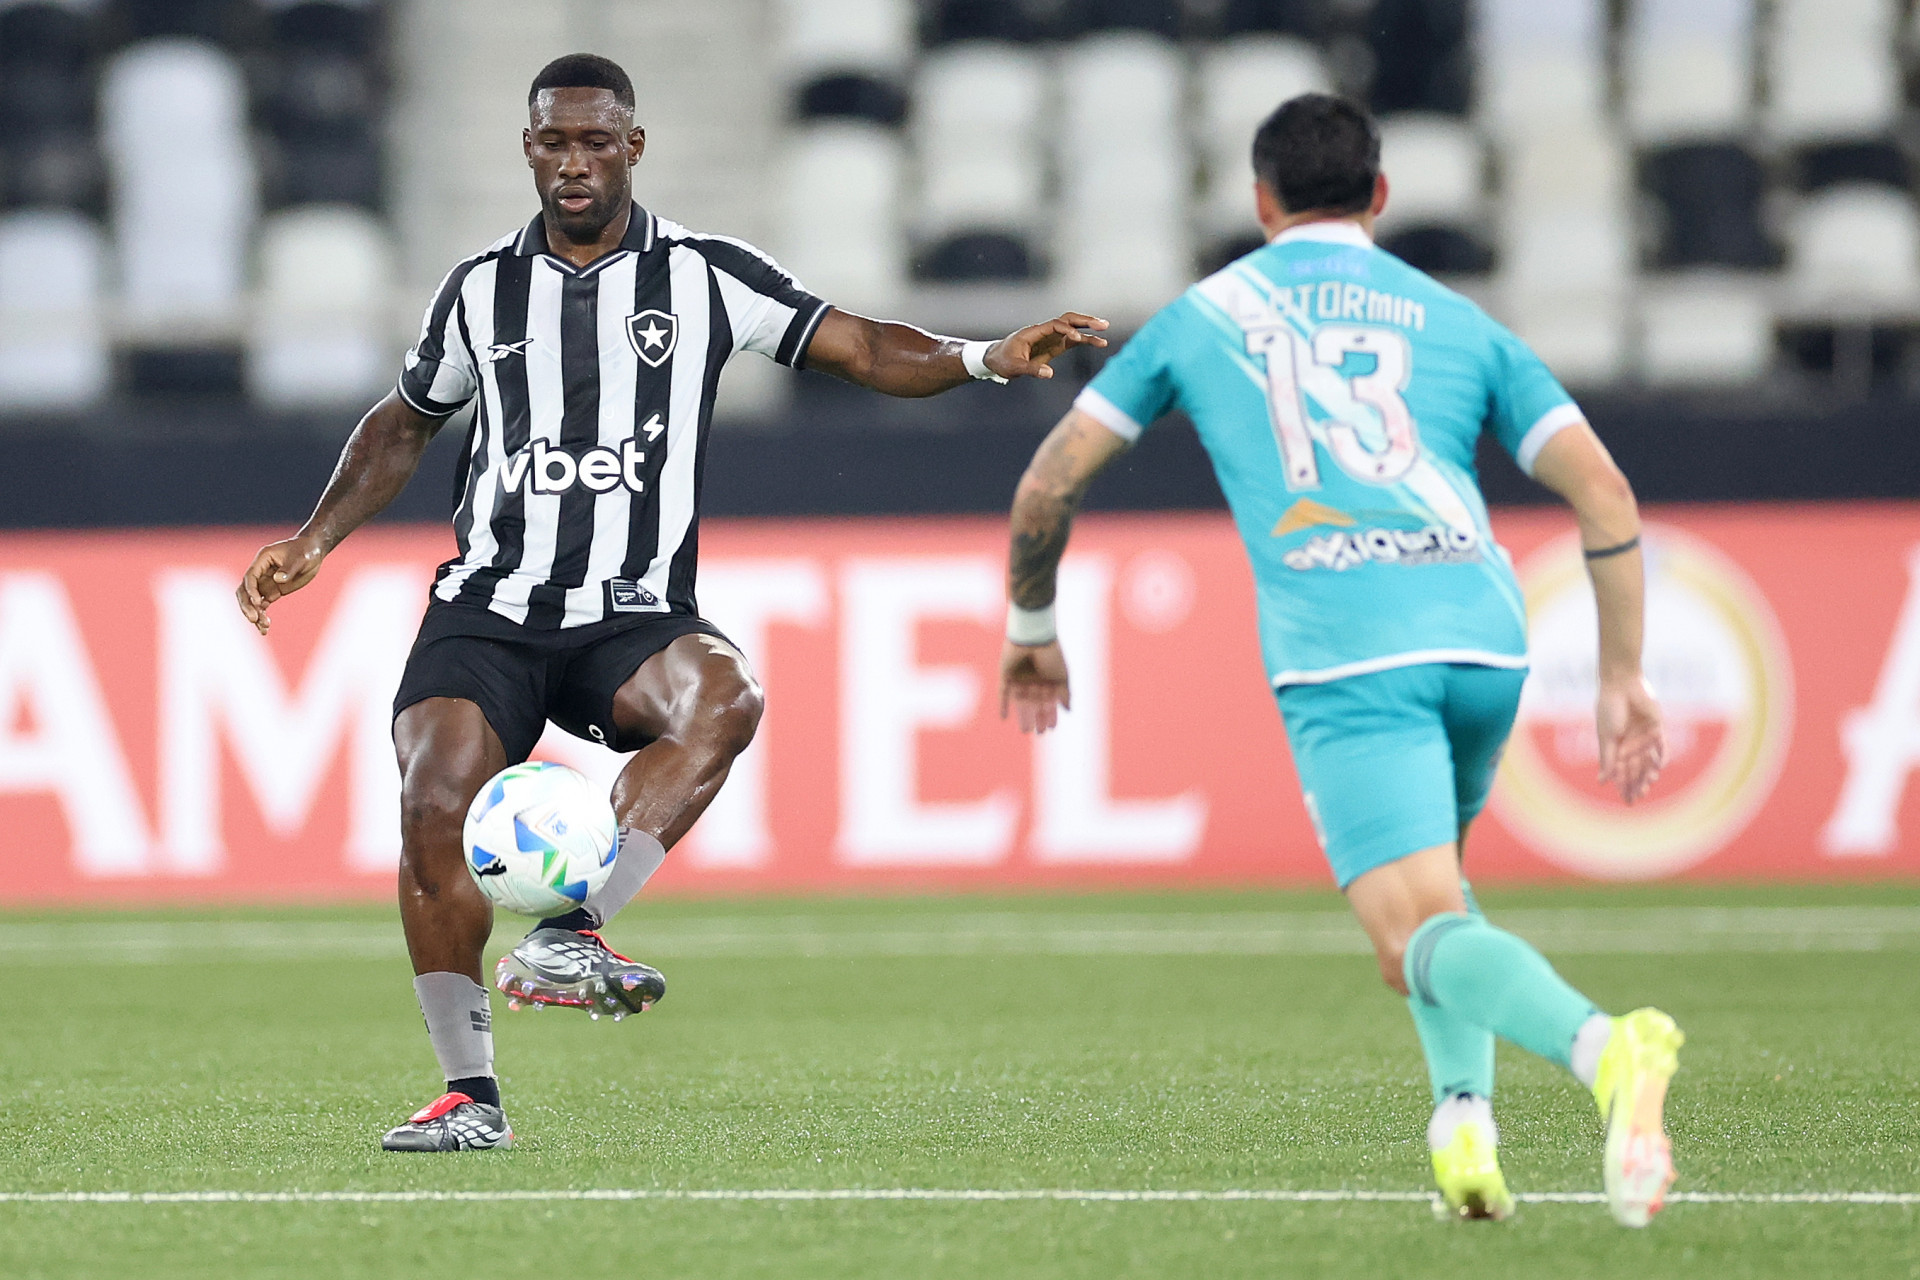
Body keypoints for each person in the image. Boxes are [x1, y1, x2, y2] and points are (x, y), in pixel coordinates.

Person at [236, 53, 1107, 1153]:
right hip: (491, 605)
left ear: (633, 147)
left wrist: (983, 354)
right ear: (529, 148)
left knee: (725, 696)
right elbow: (405, 420)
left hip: (630, 610)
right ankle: (471, 1095)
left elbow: (865, 346)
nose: (574, 163)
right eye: (554, 141)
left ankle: (570, 933)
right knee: (431, 795)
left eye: (597, 141)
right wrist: (313, 538)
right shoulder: (478, 289)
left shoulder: (705, 274)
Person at [995, 93, 1681, 1228]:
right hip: (1485, 638)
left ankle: (1608, 1050)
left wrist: (1031, 630)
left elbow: (1048, 482)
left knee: (1412, 928)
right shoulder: (1457, 318)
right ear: (1380, 196)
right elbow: (1603, 490)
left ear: (1260, 201)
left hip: (1350, 655)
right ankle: (1464, 1124)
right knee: (1436, 908)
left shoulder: (1205, 314)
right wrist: (1621, 673)